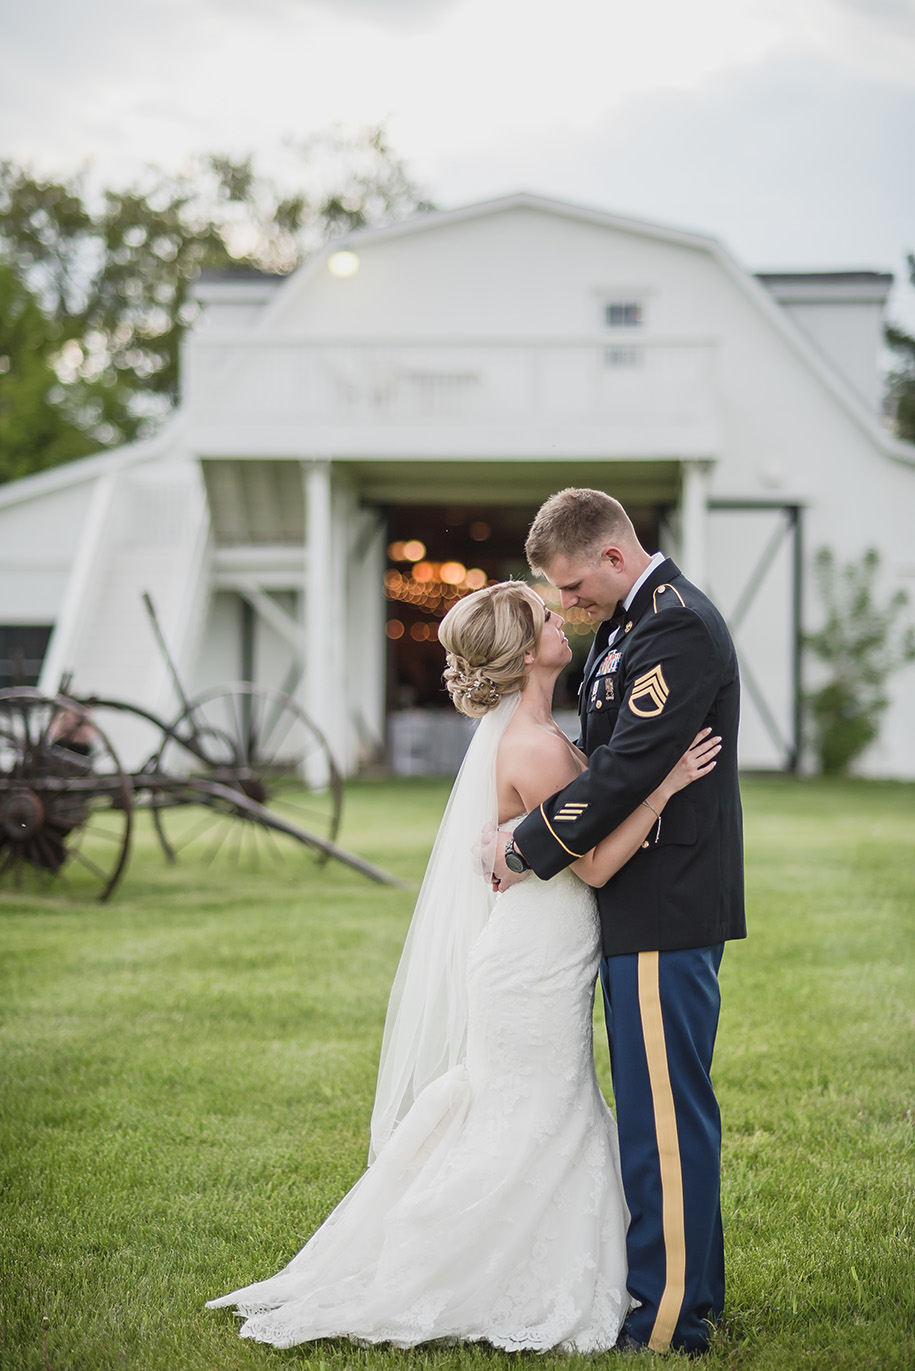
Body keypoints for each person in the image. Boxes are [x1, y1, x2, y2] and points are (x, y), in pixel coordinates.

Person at [207, 581, 720, 1352]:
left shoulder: (537, 730)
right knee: (534, 1114)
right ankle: (460, 1267)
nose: (561, 621)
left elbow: (545, 833)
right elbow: (601, 866)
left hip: (537, 953)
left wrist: (518, 843)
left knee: (535, 1111)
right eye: (547, 618)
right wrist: (666, 785)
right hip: (534, 965)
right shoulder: (537, 744)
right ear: (524, 653)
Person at [490, 489, 746, 1356]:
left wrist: (521, 846)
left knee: (661, 1120)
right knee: (662, 1111)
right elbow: (611, 759)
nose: (567, 604)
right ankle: (689, 1289)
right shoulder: (631, 627)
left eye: (571, 585)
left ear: (610, 554)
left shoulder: (672, 627)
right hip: (641, 897)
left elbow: (625, 769)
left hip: (662, 900)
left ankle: (668, 1316)